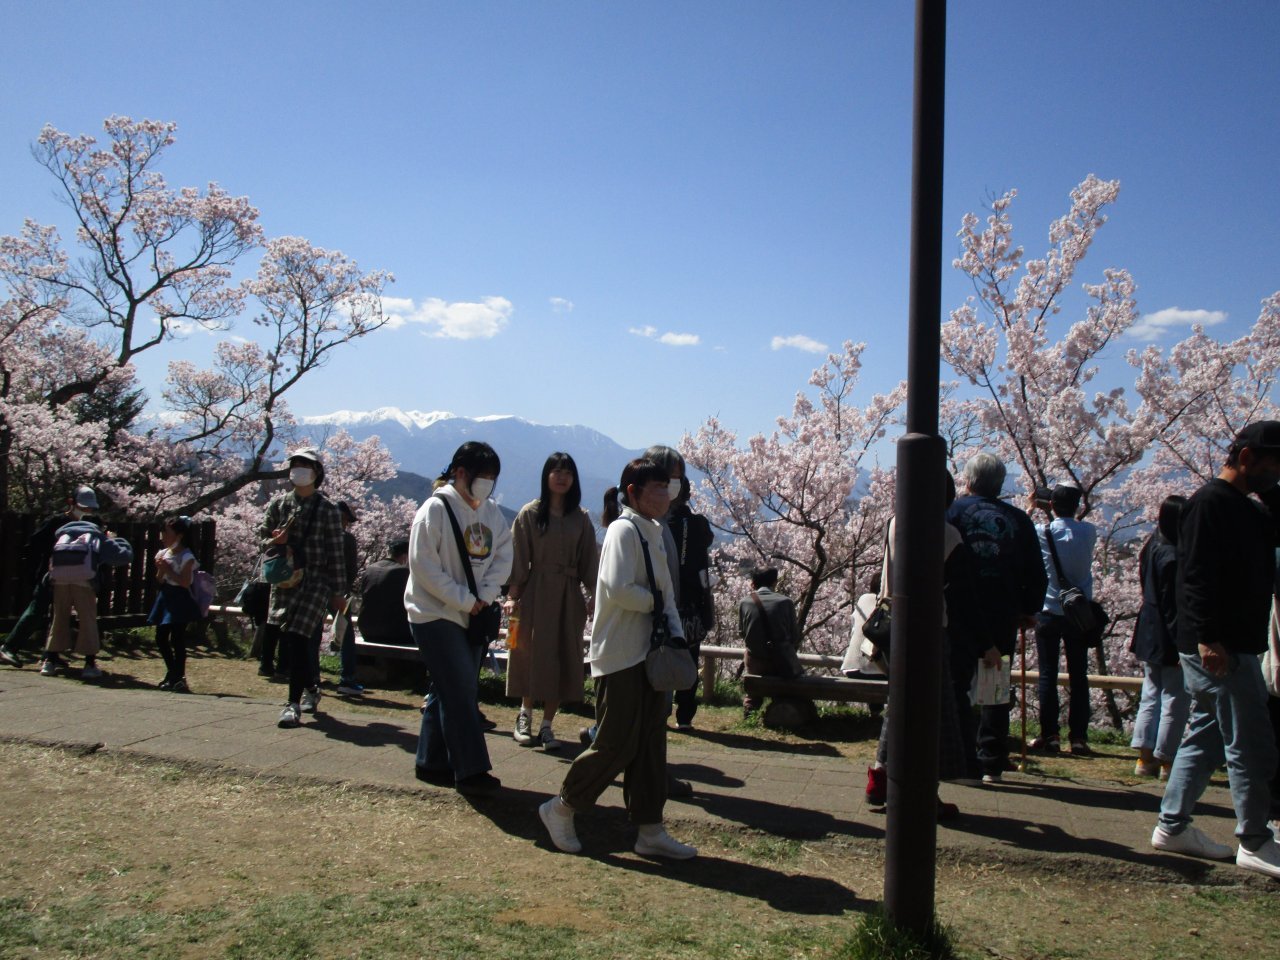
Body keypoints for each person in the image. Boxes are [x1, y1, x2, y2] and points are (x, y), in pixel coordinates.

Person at [539, 459, 697, 859]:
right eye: (658, 487)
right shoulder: (624, 530)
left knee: (649, 746)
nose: (666, 494)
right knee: (615, 742)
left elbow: (666, 594)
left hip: (650, 656)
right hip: (622, 656)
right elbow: (618, 588)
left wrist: (676, 635)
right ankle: (561, 807)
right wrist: (659, 605)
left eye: (668, 486)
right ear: (633, 492)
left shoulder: (654, 531)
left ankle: (650, 829)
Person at [1150, 421, 1280, 879]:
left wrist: (1271, 492)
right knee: (1252, 742)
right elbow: (1196, 576)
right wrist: (1207, 637)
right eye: (1271, 466)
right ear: (1245, 460)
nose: (1275, 476)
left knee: (1205, 739)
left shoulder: (1247, 507)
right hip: (1219, 645)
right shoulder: (1210, 504)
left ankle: (1172, 825)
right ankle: (1255, 838)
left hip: (1230, 642)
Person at [865, 472, 984, 819]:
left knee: (898, 708)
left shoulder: (893, 523)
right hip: (931, 632)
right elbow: (963, 593)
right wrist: (985, 640)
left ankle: (880, 778)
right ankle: (924, 794)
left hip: (893, 630)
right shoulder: (947, 535)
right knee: (934, 716)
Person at [406, 441, 513, 797]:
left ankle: (431, 760)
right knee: (461, 689)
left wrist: (483, 596)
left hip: (471, 611)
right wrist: (466, 600)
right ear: (460, 473)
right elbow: (424, 568)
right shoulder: (434, 511)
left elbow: (504, 554)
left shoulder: (491, 512)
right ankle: (471, 770)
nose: (487, 485)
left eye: (492, 479)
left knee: (448, 685)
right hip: (433, 613)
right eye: (482, 477)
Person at [946, 452, 1047, 784]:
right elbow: (1036, 569)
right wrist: (1028, 608)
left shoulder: (952, 512)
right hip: (1002, 611)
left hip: (957, 608)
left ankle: (958, 756)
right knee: (995, 684)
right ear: (1000, 483)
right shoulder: (1018, 519)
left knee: (957, 682)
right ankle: (991, 759)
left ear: (968, 480)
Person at [506, 453, 598, 750]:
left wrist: (595, 594)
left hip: (568, 595)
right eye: (556, 471)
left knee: (562, 655)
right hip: (535, 591)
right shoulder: (530, 513)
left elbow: (590, 562)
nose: (562, 477)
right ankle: (525, 715)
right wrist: (512, 596)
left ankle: (548, 725)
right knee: (529, 652)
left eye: (568, 472)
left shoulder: (581, 518)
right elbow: (519, 557)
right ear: (546, 476)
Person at [258, 447, 347, 728]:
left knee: (297, 637)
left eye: (305, 465)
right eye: (295, 464)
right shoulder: (279, 505)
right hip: (285, 579)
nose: (298, 469)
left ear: (317, 472)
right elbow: (262, 539)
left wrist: (338, 593)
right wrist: (274, 541)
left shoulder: (328, 510)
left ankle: (292, 704)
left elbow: (336, 552)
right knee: (293, 641)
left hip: (316, 580)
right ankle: (311, 687)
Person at [1029, 483, 1099, 755]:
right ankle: (1079, 737)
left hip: (1048, 610)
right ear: (1079, 506)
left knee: (1048, 673)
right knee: (1079, 675)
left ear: (1051, 505)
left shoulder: (1042, 532)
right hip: (1079, 613)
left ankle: (1050, 735)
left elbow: (1029, 528)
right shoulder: (1089, 531)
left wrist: (1034, 506)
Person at [1, 486, 99, 669]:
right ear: (71, 503)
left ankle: (50, 654)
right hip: (50, 573)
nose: (87, 511)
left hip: (70, 576)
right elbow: (34, 545)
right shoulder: (57, 521)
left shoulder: (88, 525)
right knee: (37, 610)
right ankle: (9, 647)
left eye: (89, 509)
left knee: (58, 616)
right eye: (83, 507)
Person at [1129, 495, 1191, 778]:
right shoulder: (1174, 556)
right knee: (1175, 697)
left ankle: (1144, 758)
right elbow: (1174, 603)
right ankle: (1166, 758)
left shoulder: (1152, 545)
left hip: (1149, 626)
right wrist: (1182, 641)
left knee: (1150, 693)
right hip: (1171, 630)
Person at [39, 492, 133, 679]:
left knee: (59, 618)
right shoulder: (95, 534)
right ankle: (89, 664)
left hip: (60, 581)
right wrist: (115, 539)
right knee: (87, 620)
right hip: (84, 581)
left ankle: (49, 661)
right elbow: (123, 556)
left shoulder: (64, 533)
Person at [147, 515, 201, 692]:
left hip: (180, 598)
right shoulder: (163, 553)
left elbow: (185, 582)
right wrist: (161, 570)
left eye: (167, 532)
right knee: (161, 637)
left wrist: (167, 569)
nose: (163, 536)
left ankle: (177, 677)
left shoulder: (187, 556)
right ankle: (173, 673)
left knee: (177, 638)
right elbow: (159, 579)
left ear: (179, 535)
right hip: (166, 596)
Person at [738, 566, 800, 716]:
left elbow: (742, 633)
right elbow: (794, 636)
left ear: (754, 583)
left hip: (755, 663)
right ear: (774, 582)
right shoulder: (786, 602)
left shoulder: (745, 602)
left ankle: (751, 705)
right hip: (780, 662)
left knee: (749, 652)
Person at [354, 540, 412, 646]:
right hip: (395, 633)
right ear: (405, 556)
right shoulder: (403, 572)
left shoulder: (370, 569)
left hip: (366, 629)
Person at [334, 501, 364, 696]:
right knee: (347, 634)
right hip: (340, 592)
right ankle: (347, 678)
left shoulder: (318, 536)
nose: (347, 524)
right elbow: (352, 570)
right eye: (346, 520)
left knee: (311, 633)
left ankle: (310, 677)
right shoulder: (347, 540)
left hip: (314, 590)